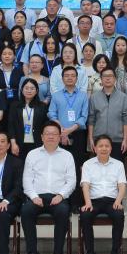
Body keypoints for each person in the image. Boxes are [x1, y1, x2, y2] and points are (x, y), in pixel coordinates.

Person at [20, 122, 76, 254]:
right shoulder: (32, 154)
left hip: (58, 197)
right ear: (42, 137)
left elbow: (71, 181)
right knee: (26, 211)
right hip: (36, 197)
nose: (51, 136)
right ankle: (32, 253)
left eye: (54, 134)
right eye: (47, 133)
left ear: (59, 136)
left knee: (63, 211)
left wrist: (61, 195)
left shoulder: (67, 156)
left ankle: (58, 253)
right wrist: (33, 197)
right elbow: (27, 179)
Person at [79, 135, 127, 254]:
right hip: (93, 201)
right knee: (85, 215)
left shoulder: (118, 164)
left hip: (112, 200)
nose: (104, 148)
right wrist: (87, 203)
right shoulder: (88, 164)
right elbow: (85, 185)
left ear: (111, 148)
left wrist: (118, 201)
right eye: (100, 146)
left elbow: (122, 185)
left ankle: (115, 252)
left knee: (119, 215)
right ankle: (90, 253)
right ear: (95, 148)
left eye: (107, 146)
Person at [47, 65, 89, 205]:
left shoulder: (83, 96)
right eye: (67, 76)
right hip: (59, 135)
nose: (70, 78)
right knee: (60, 167)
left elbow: (84, 116)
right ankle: (61, 200)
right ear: (62, 78)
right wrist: (62, 130)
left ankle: (76, 203)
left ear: (77, 78)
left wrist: (69, 130)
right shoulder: (56, 95)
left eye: (72, 75)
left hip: (78, 134)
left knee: (76, 167)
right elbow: (51, 114)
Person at [87, 67, 127, 160]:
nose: (107, 78)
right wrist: (91, 139)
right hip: (99, 139)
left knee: (117, 165)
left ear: (115, 78)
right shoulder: (94, 97)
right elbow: (91, 119)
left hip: (117, 140)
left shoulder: (123, 97)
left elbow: (126, 120)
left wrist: (125, 139)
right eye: (105, 76)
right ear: (101, 79)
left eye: (110, 76)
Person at [7, 78, 47, 158]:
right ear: (22, 90)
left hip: (37, 143)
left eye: (32, 88)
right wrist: (13, 143)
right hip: (19, 144)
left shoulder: (42, 106)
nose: (29, 91)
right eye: (26, 88)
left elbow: (45, 126)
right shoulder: (14, 106)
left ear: (36, 91)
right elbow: (11, 126)